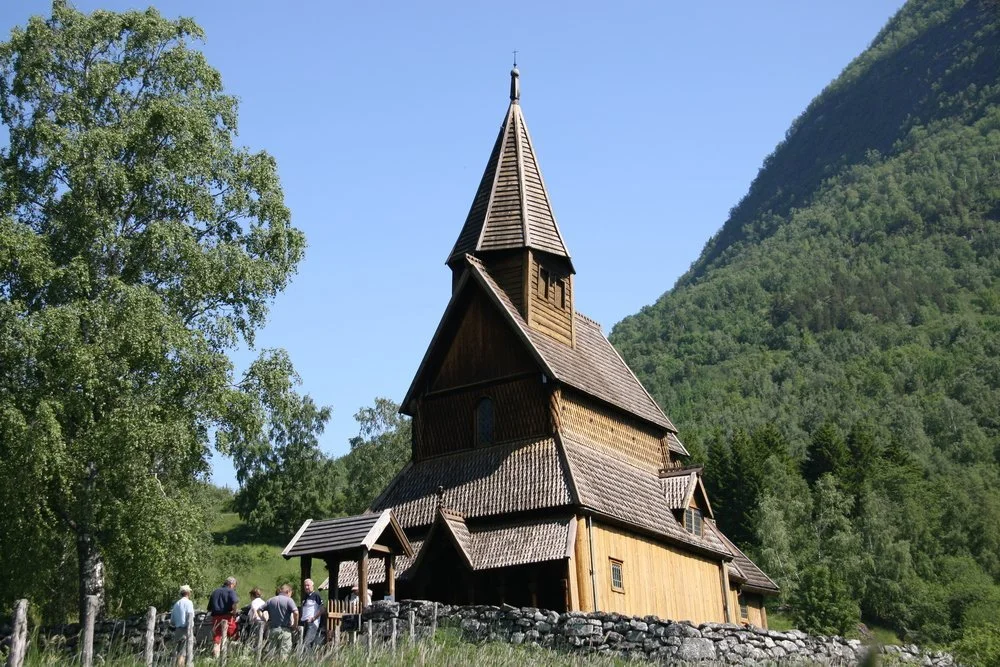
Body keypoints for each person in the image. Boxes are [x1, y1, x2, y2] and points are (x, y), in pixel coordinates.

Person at [264, 584, 299, 659]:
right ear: (288, 591)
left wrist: (264, 620)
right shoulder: (289, 600)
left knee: (272, 652)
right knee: (284, 653)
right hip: (285, 630)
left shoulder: (271, 600)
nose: (290, 595)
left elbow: (258, 610)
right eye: (291, 593)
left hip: (273, 630)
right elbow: (296, 612)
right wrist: (295, 625)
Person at [208, 576, 239, 657]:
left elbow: (209, 608)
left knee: (217, 640)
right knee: (234, 636)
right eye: (234, 586)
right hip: (227, 618)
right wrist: (234, 613)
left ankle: (216, 658)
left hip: (215, 618)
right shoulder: (231, 591)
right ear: (231, 584)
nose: (234, 588)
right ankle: (229, 656)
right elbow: (235, 603)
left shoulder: (215, 592)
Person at [169, 585, 194, 666]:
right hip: (185, 630)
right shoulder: (189, 603)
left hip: (177, 630)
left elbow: (172, 620)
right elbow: (190, 617)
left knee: (177, 652)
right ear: (188, 593)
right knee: (182, 654)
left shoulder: (176, 604)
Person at [299, 578, 323, 649]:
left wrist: (314, 618)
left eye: (308, 585)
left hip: (312, 623)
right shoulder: (305, 597)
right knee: (308, 644)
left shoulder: (316, 595)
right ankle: (311, 659)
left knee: (306, 643)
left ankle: (309, 659)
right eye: (305, 586)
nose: (306, 587)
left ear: (312, 586)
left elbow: (322, 609)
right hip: (304, 623)